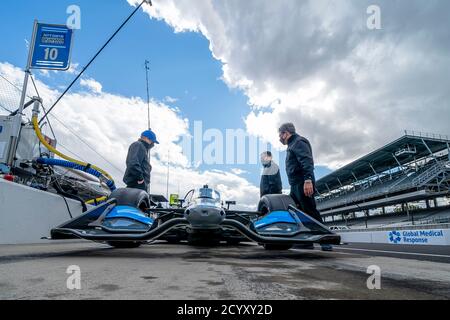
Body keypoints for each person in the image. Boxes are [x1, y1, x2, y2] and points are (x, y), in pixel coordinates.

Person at [278, 123, 332, 251]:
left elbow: (306, 161)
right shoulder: (292, 144)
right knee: (297, 212)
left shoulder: (298, 142)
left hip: (302, 182)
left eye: (280, 134)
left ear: (286, 133)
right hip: (295, 185)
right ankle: (306, 241)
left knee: (309, 211)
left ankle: (326, 240)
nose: (279, 137)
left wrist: (308, 180)